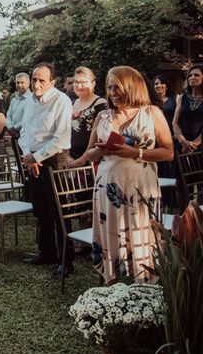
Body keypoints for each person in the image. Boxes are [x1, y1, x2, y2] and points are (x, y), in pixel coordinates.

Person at [86, 66, 173, 285]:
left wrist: (136, 152)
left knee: (141, 234)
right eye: (109, 87)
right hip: (107, 188)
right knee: (112, 235)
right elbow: (89, 154)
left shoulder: (152, 113)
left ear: (132, 87)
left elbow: (168, 152)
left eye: (117, 87)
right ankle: (113, 284)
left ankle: (144, 284)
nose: (112, 92)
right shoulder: (103, 116)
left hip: (141, 188)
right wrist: (99, 150)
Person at [19, 62, 73, 279]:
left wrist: (36, 157)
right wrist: (27, 155)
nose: (37, 83)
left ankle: (66, 260)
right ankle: (47, 252)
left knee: (59, 211)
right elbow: (24, 131)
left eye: (42, 80)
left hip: (53, 159)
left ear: (52, 81)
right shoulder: (29, 101)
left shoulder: (62, 100)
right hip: (32, 159)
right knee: (40, 209)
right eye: (34, 79)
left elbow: (61, 138)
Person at [68, 67, 108, 168]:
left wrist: (83, 159)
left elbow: (99, 136)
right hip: (71, 160)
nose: (79, 86)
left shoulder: (101, 104)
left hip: (92, 161)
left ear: (93, 83)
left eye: (84, 82)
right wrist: (67, 156)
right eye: (76, 82)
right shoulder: (71, 104)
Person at [173, 64, 203, 153]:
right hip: (182, 145)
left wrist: (193, 145)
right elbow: (175, 123)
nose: (192, 77)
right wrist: (183, 142)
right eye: (190, 75)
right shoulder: (182, 97)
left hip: (200, 146)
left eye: (196, 75)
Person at [5, 73, 31, 139]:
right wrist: (10, 127)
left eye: (22, 82)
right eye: (17, 83)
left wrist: (14, 128)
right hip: (14, 134)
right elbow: (8, 115)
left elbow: (29, 119)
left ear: (28, 84)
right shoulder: (14, 99)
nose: (19, 85)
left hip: (27, 136)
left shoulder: (32, 99)